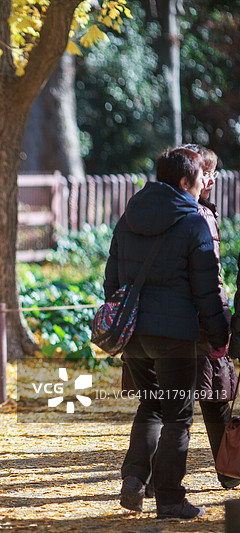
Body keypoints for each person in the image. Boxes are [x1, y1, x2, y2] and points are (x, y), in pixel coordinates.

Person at [106, 147, 230, 519]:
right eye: (198, 181)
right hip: (175, 335)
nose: (202, 188)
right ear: (183, 181)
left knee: (151, 406)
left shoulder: (128, 217)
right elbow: (207, 288)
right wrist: (219, 336)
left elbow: (111, 280)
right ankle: (171, 499)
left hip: (133, 334)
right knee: (178, 416)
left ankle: (133, 478)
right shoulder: (193, 222)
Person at [180, 144, 240, 490]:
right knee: (213, 395)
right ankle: (229, 469)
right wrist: (220, 326)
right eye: (207, 171)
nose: (213, 178)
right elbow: (209, 277)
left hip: (180, 323)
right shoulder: (199, 216)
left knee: (175, 402)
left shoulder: (197, 210)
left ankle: (156, 478)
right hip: (200, 323)